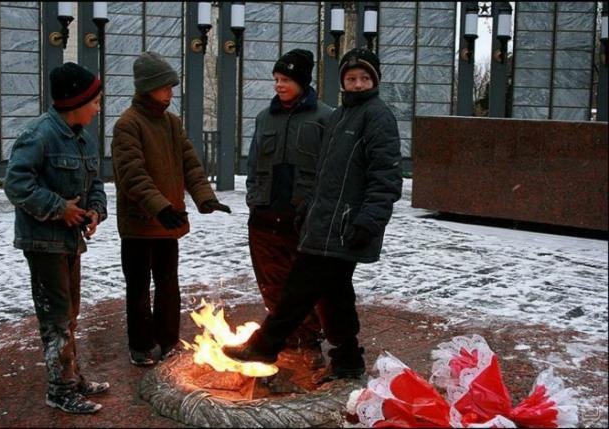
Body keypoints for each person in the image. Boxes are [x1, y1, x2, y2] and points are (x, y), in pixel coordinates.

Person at [223, 48, 403, 384]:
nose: (358, 84)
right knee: (335, 294)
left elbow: (386, 176)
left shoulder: (377, 116)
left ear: (375, 80)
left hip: (347, 225)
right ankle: (347, 359)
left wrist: (369, 220)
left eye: (365, 78)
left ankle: (265, 345)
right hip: (324, 220)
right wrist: (308, 206)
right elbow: (323, 171)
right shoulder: (341, 116)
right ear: (343, 82)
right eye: (351, 78)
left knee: (300, 287)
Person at [112, 51, 231, 367]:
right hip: (140, 224)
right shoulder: (128, 125)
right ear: (147, 87)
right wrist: (161, 208)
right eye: (164, 87)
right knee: (139, 288)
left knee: (168, 284)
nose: (170, 93)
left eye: (171, 87)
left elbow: (190, 164)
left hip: (168, 221)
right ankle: (140, 345)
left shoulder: (171, 123)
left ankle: (168, 341)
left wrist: (204, 197)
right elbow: (132, 175)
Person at [4, 62, 108, 414]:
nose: (98, 108)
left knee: (70, 314)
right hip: (43, 242)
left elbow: (95, 183)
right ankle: (60, 390)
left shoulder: (84, 138)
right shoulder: (38, 135)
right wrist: (60, 208)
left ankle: (71, 378)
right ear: (75, 102)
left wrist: (95, 211)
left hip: (69, 243)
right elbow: (17, 185)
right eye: (95, 102)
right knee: (57, 318)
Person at [246, 49, 333, 369]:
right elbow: (253, 163)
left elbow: (330, 169)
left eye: (286, 80)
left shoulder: (326, 117)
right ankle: (283, 340)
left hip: (304, 220)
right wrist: (254, 198)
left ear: (302, 81)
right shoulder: (264, 118)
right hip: (266, 217)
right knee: (272, 283)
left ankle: (308, 342)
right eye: (276, 79)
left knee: (304, 286)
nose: (279, 85)